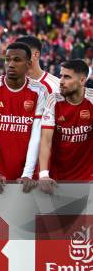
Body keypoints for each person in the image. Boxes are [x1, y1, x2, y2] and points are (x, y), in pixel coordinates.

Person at [0, 42, 48, 193]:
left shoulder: (40, 91)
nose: (10, 64)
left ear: (29, 64)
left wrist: (27, 174)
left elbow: (36, 136)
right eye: (7, 59)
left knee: (28, 217)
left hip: (27, 178)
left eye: (17, 60)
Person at [39, 59, 92, 194]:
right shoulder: (53, 100)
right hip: (57, 179)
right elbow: (46, 141)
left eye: (67, 77)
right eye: (61, 76)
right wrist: (44, 174)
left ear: (82, 81)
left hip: (87, 178)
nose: (61, 81)